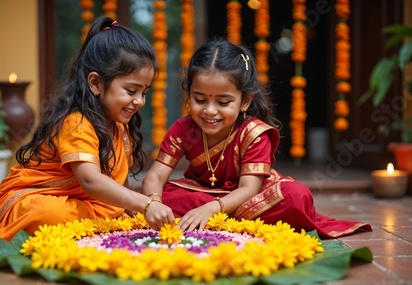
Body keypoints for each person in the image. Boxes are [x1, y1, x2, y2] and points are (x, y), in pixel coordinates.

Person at [0, 17, 175, 255]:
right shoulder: (76, 122)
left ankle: (97, 223)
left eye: (144, 92)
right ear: (96, 83)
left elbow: (115, 186)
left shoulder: (120, 128)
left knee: (117, 209)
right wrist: (145, 204)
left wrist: (136, 207)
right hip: (31, 202)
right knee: (44, 213)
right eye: (131, 91)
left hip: (83, 206)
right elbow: (91, 182)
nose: (139, 101)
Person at [141, 38, 372, 238]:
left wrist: (211, 209)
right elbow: (155, 177)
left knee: (295, 196)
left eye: (223, 102)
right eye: (200, 100)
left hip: (248, 196)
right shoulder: (183, 129)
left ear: (245, 101)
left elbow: (249, 188)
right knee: (160, 196)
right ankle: (224, 220)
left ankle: (212, 219)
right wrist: (154, 203)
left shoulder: (254, 133)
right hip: (204, 194)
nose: (210, 111)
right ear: (189, 93)